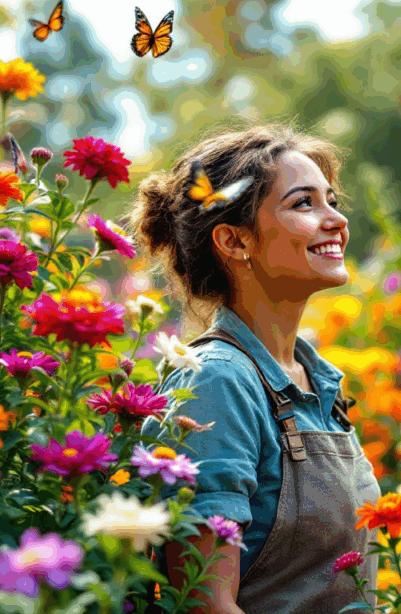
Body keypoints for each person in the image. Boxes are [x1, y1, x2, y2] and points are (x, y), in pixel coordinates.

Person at [128, 123, 381, 614]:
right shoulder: (217, 381)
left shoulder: (318, 382)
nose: (337, 220)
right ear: (235, 241)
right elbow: (205, 604)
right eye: (304, 204)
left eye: (331, 200)